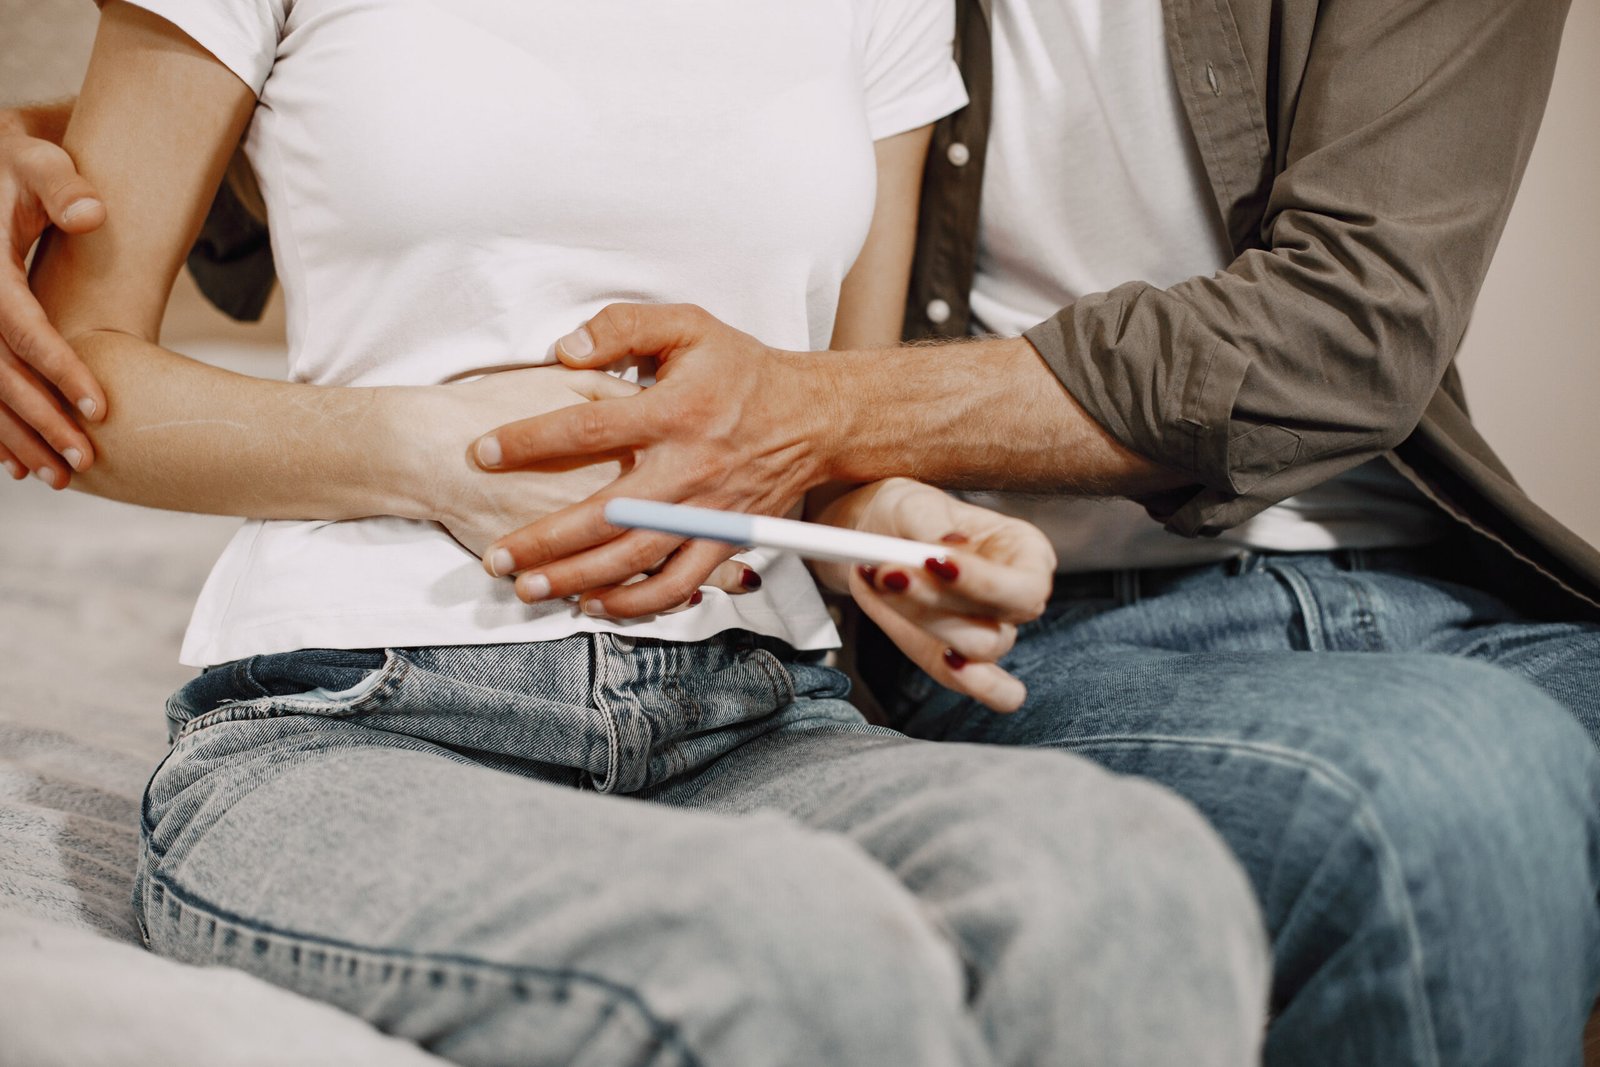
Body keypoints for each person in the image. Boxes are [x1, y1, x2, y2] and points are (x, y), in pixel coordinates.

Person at [67, 1, 1579, 1065]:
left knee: (1133, 891)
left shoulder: (883, 6)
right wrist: (434, 455)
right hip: (358, 710)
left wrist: (903, 533)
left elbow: (826, 423)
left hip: (751, 717)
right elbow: (93, 380)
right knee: (799, 957)